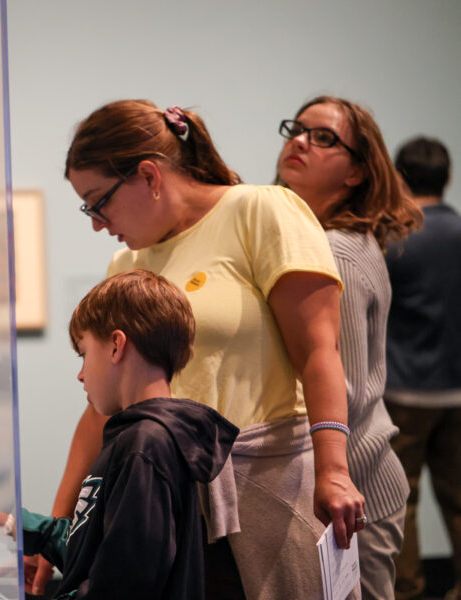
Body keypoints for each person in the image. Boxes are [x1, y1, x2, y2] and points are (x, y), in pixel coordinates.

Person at [46, 99, 366, 600]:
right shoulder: (126, 263)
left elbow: (319, 354)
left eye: (97, 201)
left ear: (149, 176)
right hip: (168, 510)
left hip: (267, 492)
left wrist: (334, 470)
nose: (96, 222)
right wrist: (60, 522)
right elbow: (102, 410)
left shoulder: (261, 210)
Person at [0, 269, 238, 599]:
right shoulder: (133, 438)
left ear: (115, 346)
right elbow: (95, 551)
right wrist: (16, 525)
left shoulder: (146, 447)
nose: (80, 374)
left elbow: (123, 584)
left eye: (83, 353)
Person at [275, 95, 421, 600]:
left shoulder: (335, 249)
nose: (300, 141)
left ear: (356, 173)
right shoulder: (309, 238)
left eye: (323, 137)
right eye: (298, 129)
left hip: (355, 491)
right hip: (339, 490)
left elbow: (349, 390)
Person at [383, 137, 461, 600]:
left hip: (405, 392)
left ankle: (407, 592)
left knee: (401, 502)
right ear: (448, 176)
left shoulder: (397, 240)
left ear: (399, 178)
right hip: (458, 391)